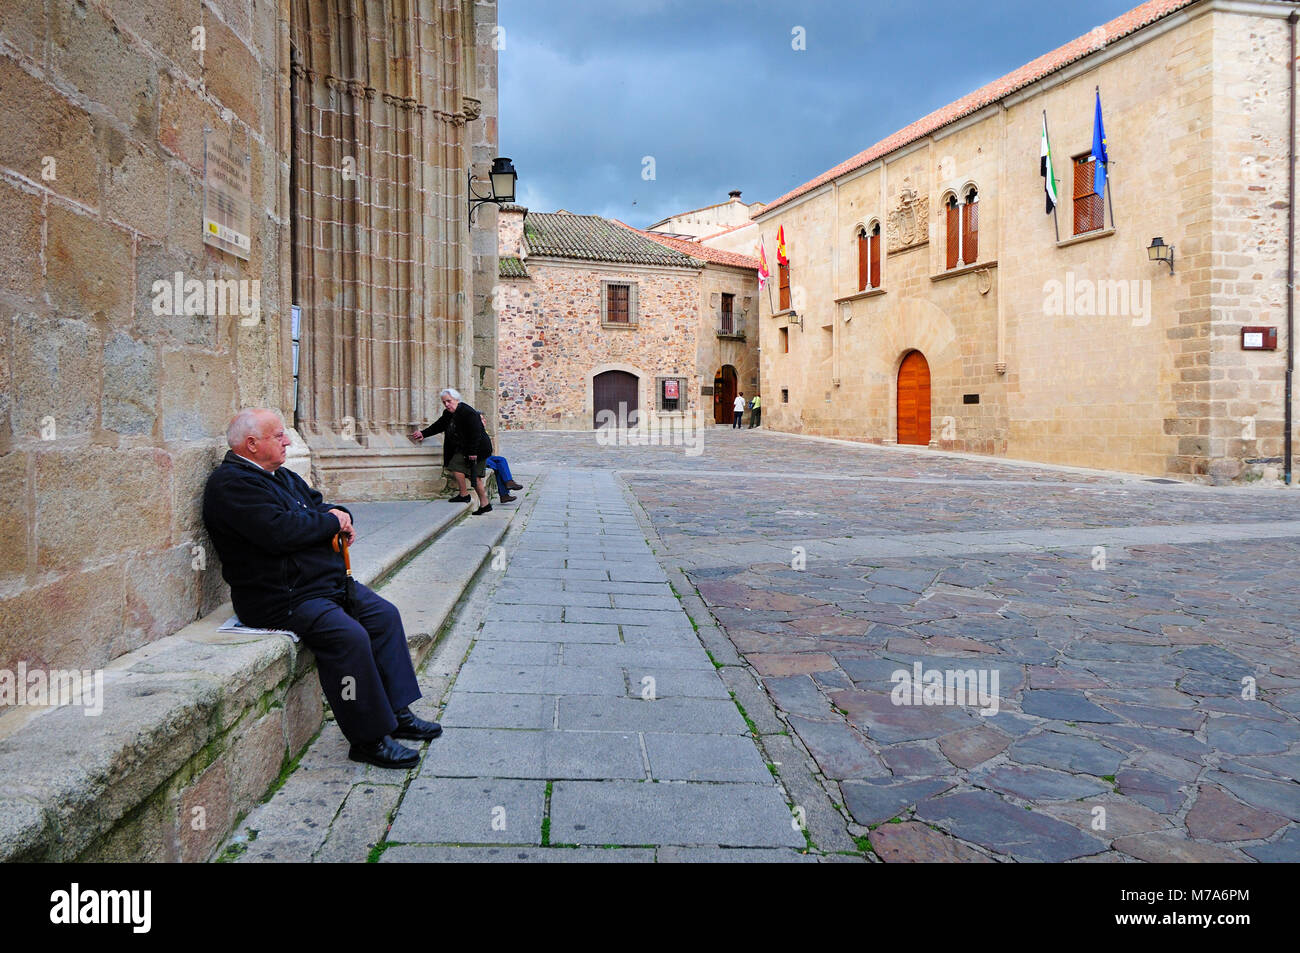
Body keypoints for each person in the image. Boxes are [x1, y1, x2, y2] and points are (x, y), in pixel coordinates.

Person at [203, 408, 441, 770]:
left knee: (384, 616)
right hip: (279, 597)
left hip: (321, 585)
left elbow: (318, 505)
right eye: (278, 435)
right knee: (349, 638)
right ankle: (369, 738)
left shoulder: (279, 476)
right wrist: (329, 521)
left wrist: (340, 516)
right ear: (251, 445)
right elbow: (280, 532)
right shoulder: (231, 485)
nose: (286, 441)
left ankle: (398, 712)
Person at [408, 388, 494, 515]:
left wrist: (472, 452)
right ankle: (466, 495)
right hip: (467, 449)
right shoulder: (449, 413)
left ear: (456, 400)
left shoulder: (468, 412)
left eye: (449, 401)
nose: (447, 404)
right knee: (457, 467)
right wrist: (423, 433)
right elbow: (439, 425)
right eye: (444, 402)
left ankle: (484, 503)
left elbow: (475, 434)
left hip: (479, 449)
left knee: (474, 477)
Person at [480, 414, 523, 504]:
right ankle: (504, 494)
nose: (484, 420)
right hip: (479, 458)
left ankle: (509, 483)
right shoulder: (472, 432)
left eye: (484, 418)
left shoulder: (481, 430)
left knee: (501, 460)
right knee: (498, 467)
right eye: (481, 419)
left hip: (486, 456)